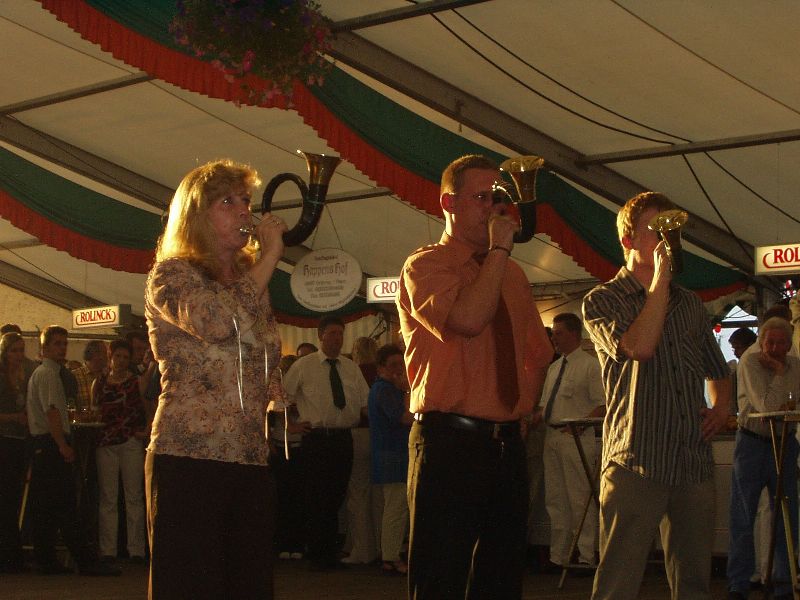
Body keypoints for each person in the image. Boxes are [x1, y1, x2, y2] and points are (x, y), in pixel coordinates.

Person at [397, 154, 552, 598]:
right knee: (440, 577)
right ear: (448, 203)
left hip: (505, 444)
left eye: (497, 198)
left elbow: (539, 354)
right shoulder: (426, 265)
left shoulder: (512, 274)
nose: (493, 207)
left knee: (501, 578)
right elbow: (468, 318)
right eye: (481, 198)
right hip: (449, 441)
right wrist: (499, 251)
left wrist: (522, 411)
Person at [144, 159, 286, 599]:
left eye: (246, 200)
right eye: (228, 201)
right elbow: (218, 323)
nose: (244, 210)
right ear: (197, 214)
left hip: (248, 456)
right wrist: (271, 256)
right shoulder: (172, 274)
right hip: (190, 456)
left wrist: (274, 396)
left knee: (248, 585)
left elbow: (264, 350)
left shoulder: (249, 280)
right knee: (192, 585)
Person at [582, 191, 731, 600]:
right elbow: (640, 347)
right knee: (618, 583)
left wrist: (721, 407)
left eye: (672, 229)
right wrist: (661, 280)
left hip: (691, 459)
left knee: (694, 582)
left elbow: (717, 370)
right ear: (628, 240)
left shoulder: (690, 304)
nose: (668, 240)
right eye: (657, 230)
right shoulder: (603, 299)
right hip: (637, 459)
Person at [26, 326, 119, 576]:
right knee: (65, 503)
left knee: (48, 505)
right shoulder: (48, 374)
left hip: (45, 443)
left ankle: (48, 559)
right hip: (50, 443)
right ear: (45, 347)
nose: (62, 348)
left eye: (64, 343)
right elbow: (52, 411)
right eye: (57, 344)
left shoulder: (46, 373)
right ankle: (84, 560)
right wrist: (62, 444)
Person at [282, 314, 370, 571]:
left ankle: (328, 551)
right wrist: (290, 425)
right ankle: (317, 553)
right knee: (316, 495)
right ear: (320, 336)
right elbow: (282, 397)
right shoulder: (304, 365)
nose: (337, 339)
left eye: (340, 334)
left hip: (343, 437)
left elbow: (364, 403)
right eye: (332, 334)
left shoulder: (350, 367)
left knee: (337, 495)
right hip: (317, 437)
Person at [727, 317, 800, 600]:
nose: (775, 348)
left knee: (787, 514)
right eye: (770, 342)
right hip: (753, 444)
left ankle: (784, 582)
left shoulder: (796, 366)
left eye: (781, 343)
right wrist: (780, 374)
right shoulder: (749, 362)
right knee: (744, 514)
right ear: (761, 341)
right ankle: (738, 584)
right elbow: (767, 406)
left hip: (784, 443)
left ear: (789, 344)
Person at [537, 312, 605, 572]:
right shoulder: (554, 368)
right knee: (555, 499)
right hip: (552, 436)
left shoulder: (590, 366)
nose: (554, 338)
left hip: (575, 437)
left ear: (574, 334)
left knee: (579, 497)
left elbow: (602, 404)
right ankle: (559, 555)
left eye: (559, 333)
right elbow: (545, 406)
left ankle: (586, 555)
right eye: (554, 333)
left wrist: (579, 426)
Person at [93, 339, 154, 563]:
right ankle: (108, 549)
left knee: (133, 496)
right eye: (118, 356)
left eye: (125, 357)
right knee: (108, 497)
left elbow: (148, 407)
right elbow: (95, 408)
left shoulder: (136, 382)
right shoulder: (100, 382)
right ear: (111, 356)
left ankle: (136, 549)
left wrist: (145, 430)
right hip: (107, 442)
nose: (121, 361)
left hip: (129, 441)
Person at [368, 343, 413, 575]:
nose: (398, 369)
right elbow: (404, 417)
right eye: (393, 365)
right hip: (392, 454)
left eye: (400, 364)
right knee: (396, 507)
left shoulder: (386, 388)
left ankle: (391, 552)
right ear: (381, 368)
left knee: (396, 507)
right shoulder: (384, 390)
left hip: (393, 453)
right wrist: (408, 393)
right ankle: (390, 556)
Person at [341, 336, 379, 565]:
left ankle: (361, 548)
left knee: (357, 493)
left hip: (359, 433)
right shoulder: (380, 374)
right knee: (377, 494)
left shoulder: (353, 373)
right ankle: (378, 544)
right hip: (380, 436)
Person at [0, 332, 33, 573]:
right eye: (14, 351)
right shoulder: (2, 378)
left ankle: (12, 553)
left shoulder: (23, 376)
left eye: (21, 350)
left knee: (13, 499)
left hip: (19, 441)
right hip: (4, 441)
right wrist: (14, 417)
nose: (19, 355)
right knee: (6, 499)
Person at [72, 340, 108, 411]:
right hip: (83, 417)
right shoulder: (75, 376)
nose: (108, 356)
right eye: (105, 353)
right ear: (95, 354)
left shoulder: (108, 376)